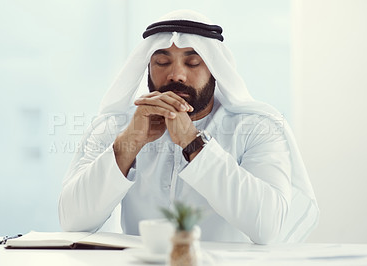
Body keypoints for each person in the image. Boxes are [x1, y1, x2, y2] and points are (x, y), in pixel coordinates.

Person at [58, 10, 319, 244]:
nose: (176, 75)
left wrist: (193, 142)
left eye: (193, 62)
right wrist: (130, 142)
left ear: (215, 69)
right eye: (162, 63)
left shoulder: (257, 128)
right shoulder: (115, 126)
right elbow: (73, 221)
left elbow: (268, 226)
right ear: (148, 69)